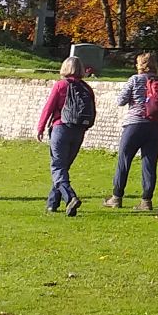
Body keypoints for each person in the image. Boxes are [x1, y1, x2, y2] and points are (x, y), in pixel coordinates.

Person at [106, 52, 158, 211]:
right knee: (149, 164)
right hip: (155, 126)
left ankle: (116, 197)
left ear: (139, 65)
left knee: (124, 160)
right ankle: (146, 201)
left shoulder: (135, 80)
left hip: (134, 126)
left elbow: (120, 101)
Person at [33, 56, 94, 216]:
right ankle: (52, 204)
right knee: (63, 168)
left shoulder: (61, 85)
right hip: (78, 131)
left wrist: (40, 127)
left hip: (61, 128)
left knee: (58, 167)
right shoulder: (87, 88)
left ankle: (70, 197)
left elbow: (49, 107)